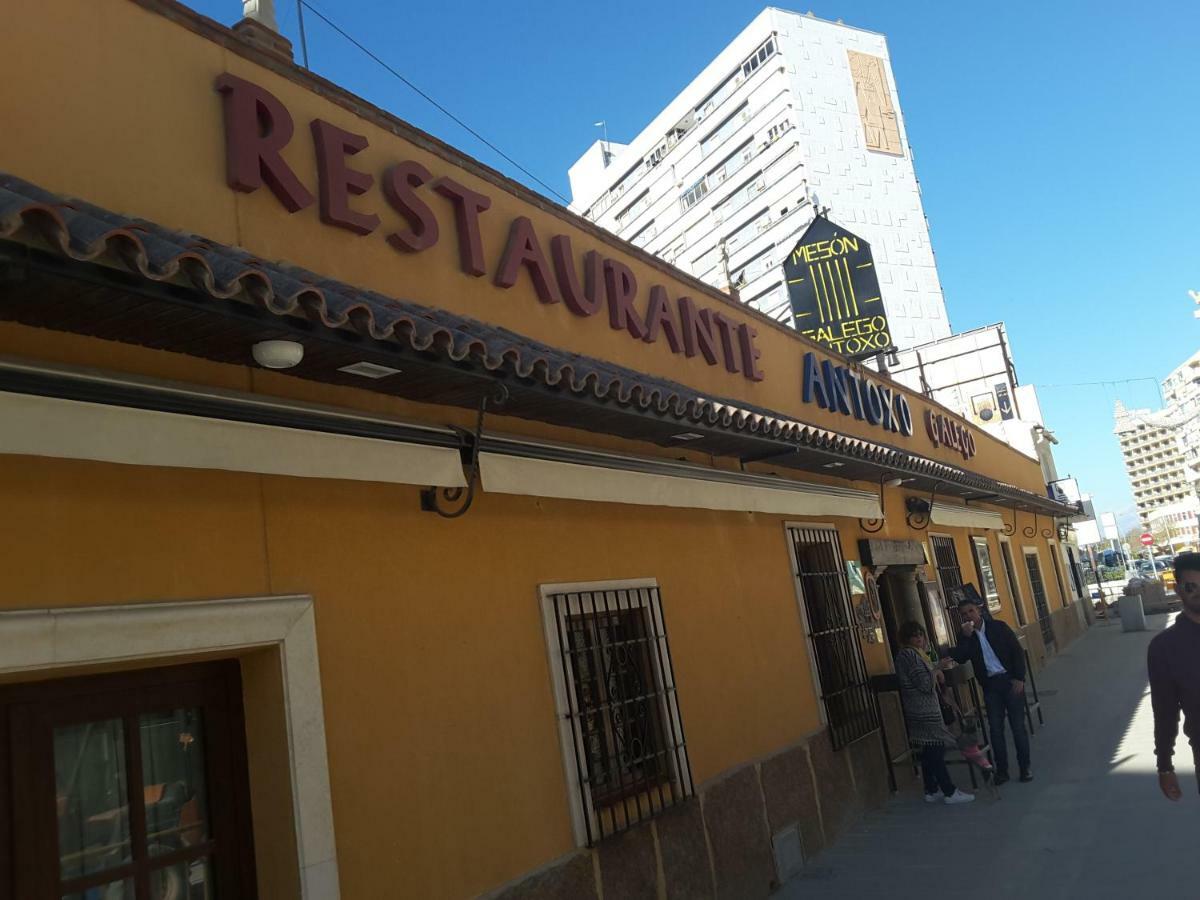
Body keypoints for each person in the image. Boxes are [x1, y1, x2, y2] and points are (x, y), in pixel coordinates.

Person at [949, 596, 1031, 785]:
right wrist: (967, 638)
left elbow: (1017, 652)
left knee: (1018, 727)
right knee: (995, 730)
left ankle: (1025, 767)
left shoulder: (999, 627)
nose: (969, 615)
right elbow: (961, 657)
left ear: (979, 610)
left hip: (1010, 681)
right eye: (964, 614)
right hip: (991, 686)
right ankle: (1002, 771)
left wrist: (1019, 678)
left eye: (971, 611)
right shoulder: (965, 636)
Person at [894, 621, 974, 804]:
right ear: (907, 638)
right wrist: (937, 668)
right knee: (937, 748)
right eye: (915, 635)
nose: (920, 638)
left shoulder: (914, 654)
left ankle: (931, 789)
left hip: (922, 709)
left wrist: (936, 666)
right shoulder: (909, 656)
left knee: (930, 749)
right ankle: (949, 791)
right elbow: (923, 684)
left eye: (921, 634)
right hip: (924, 710)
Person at [1148, 552, 1200, 801]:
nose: (1199, 592)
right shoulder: (1164, 648)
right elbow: (1165, 711)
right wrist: (1165, 766)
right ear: (1178, 590)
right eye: (1191, 587)